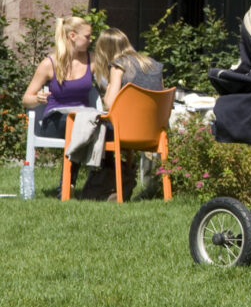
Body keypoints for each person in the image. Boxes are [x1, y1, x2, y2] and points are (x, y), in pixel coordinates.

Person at [22, 16, 94, 190]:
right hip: (55, 120)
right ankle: (67, 185)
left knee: (103, 128)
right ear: (72, 36)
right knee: (77, 124)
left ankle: (100, 186)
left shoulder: (92, 60)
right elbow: (26, 99)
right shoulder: (49, 64)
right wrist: (37, 98)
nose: (91, 40)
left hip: (83, 118)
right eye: (87, 37)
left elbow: (107, 86)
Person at [93, 27, 164, 199]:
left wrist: (109, 88)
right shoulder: (154, 65)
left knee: (92, 130)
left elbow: (110, 103)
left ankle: (105, 187)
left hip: (125, 133)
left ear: (104, 50)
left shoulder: (119, 65)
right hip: (154, 133)